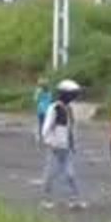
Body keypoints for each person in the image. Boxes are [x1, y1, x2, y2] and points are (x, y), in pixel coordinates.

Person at [40, 79, 85, 210]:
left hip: (66, 148)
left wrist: (72, 144)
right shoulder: (55, 108)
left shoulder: (69, 109)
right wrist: (50, 142)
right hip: (55, 148)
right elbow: (46, 128)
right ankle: (46, 199)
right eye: (72, 94)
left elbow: (70, 129)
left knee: (70, 174)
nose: (73, 97)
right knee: (50, 174)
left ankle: (74, 199)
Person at [33, 78, 53, 146]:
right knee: (46, 124)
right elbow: (51, 100)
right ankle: (44, 137)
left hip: (41, 109)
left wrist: (37, 94)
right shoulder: (49, 92)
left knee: (41, 123)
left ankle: (41, 137)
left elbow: (35, 100)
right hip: (46, 110)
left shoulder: (39, 92)